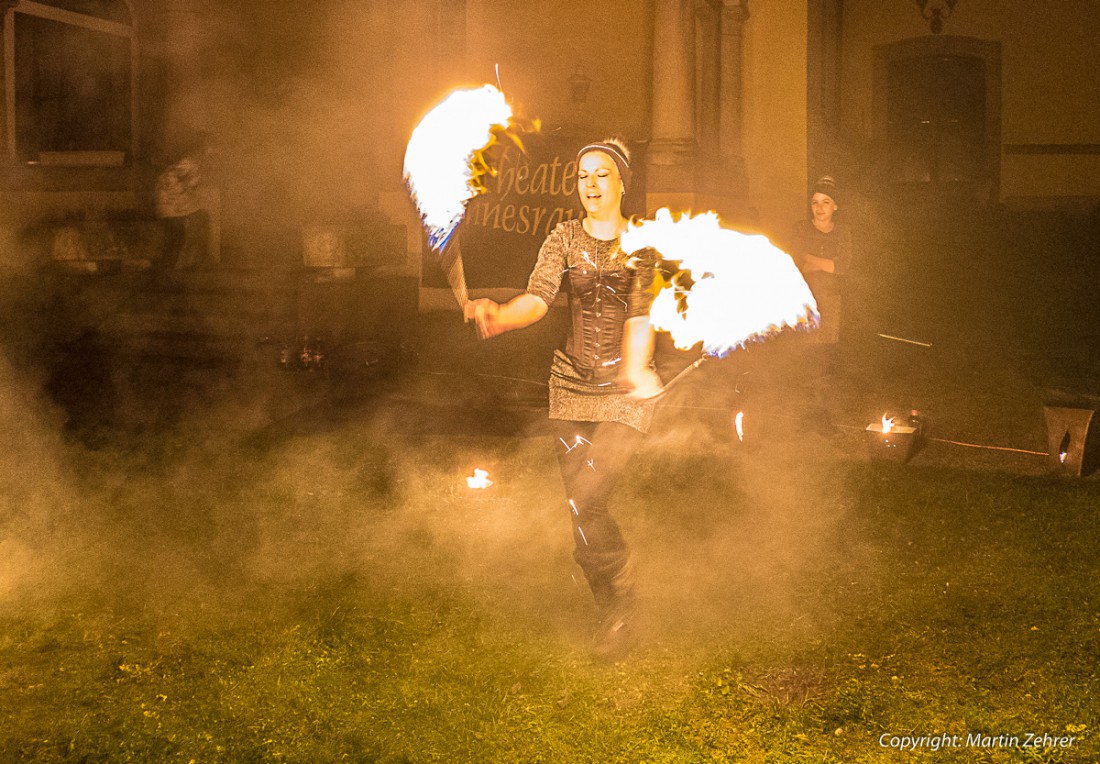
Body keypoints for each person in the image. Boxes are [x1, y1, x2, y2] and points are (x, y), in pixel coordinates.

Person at [466, 139, 662, 662]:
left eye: (602, 175)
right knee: (581, 510)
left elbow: (640, 316)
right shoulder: (562, 238)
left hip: (625, 392)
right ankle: (615, 608)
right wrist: (501, 315)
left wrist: (635, 368)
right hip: (570, 386)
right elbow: (538, 297)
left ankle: (622, 604)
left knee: (592, 493)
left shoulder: (645, 243)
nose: (591, 185)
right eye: (582, 176)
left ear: (623, 183)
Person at [786, 175, 853, 433]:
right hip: (806, 302)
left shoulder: (843, 232)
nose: (820, 207)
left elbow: (843, 266)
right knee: (804, 359)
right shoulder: (801, 229)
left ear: (835, 206)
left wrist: (815, 262)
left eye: (826, 202)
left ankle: (822, 418)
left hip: (831, 302)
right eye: (815, 202)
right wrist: (826, 264)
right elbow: (798, 261)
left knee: (824, 361)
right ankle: (802, 417)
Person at [152, 132, 214, 283]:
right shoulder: (187, 163)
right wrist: (199, 178)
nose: (208, 149)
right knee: (176, 238)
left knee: (177, 237)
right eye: (206, 146)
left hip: (172, 207)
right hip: (172, 207)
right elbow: (187, 182)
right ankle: (165, 272)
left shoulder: (184, 163)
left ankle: (168, 270)